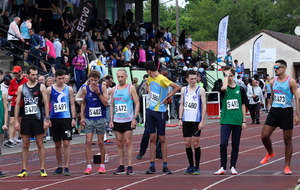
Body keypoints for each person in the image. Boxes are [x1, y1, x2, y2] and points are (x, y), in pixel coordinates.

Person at [261, 60, 299, 175]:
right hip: (274, 111)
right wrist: (271, 108)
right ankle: (270, 152)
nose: (275, 69)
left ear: (284, 68)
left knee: (287, 140)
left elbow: (297, 98)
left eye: (277, 67)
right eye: (274, 67)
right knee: (264, 135)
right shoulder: (272, 82)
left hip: (286, 112)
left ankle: (287, 166)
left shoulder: (291, 82)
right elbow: (272, 96)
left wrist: (297, 114)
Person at [144, 61, 181, 174]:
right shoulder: (150, 78)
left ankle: (165, 165)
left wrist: (168, 97)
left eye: (146, 71)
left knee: (162, 139)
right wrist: (150, 92)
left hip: (160, 111)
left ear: (149, 71)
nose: (147, 73)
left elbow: (177, 87)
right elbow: (146, 84)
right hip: (151, 110)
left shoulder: (162, 79)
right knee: (152, 138)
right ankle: (152, 165)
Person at [14, 65, 50, 177]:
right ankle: (24, 169)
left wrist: (47, 119)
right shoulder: (21, 88)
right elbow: (16, 105)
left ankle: (42, 169)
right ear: (28, 75)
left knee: (40, 144)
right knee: (25, 145)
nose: (35, 77)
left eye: (36, 75)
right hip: (25, 119)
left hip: (37, 119)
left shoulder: (41, 87)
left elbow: (46, 104)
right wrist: (16, 121)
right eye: (33, 75)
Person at [214, 66, 247, 175]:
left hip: (237, 120)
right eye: (227, 76)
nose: (229, 78)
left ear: (234, 75)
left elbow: (243, 105)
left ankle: (233, 166)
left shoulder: (240, 89)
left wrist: (244, 121)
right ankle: (223, 167)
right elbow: (223, 88)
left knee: (235, 145)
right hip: (226, 120)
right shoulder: (223, 88)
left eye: (231, 75)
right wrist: (225, 76)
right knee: (223, 144)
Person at [109, 69, 140, 175]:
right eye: (118, 77)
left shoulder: (130, 88)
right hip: (117, 120)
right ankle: (121, 165)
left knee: (128, 142)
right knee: (119, 143)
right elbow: (112, 105)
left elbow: (137, 102)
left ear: (126, 77)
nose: (120, 79)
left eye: (122, 77)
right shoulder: (114, 89)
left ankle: (130, 165)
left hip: (128, 120)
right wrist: (111, 119)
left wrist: (135, 118)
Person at [47, 69, 76, 176]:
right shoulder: (50, 89)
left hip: (66, 118)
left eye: (63, 78)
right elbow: (47, 104)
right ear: (55, 78)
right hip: (54, 118)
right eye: (59, 78)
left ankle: (67, 166)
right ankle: (59, 166)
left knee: (67, 142)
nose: (61, 80)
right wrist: (47, 118)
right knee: (57, 144)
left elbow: (72, 104)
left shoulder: (69, 89)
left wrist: (73, 118)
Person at [178, 70, 206, 175]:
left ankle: (197, 167)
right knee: (187, 143)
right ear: (187, 79)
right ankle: (190, 165)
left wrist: (202, 121)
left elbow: (204, 106)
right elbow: (182, 104)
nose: (193, 80)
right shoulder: (183, 90)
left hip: (196, 121)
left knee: (195, 143)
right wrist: (180, 119)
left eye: (195, 78)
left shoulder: (201, 90)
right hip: (186, 120)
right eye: (191, 79)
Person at [81, 70, 108, 174]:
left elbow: (106, 103)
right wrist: (82, 117)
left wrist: (98, 93)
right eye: (91, 80)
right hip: (89, 119)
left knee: (101, 142)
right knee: (88, 142)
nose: (93, 82)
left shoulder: (102, 87)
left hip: (100, 118)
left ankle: (102, 165)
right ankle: (88, 166)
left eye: (95, 80)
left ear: (98, 80)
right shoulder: (85, 89)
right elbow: (83, 103)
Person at [6, 66, 28, 148]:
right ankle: (11, 140)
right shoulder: (13, 81)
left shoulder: (26, 80)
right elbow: (10, 92)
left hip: (24, 104)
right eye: (14, 73)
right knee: (12, 121)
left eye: (16, 73)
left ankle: (19, 137)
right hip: (14, 104)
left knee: (21, 121)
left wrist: (20, 93)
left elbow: (28, 91)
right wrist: (17, 93)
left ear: (20, 72)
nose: (15, 74)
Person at [0, 77, 9, 177]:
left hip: (0, 125)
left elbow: (6, 110)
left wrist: (5, 123)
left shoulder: (2, 94)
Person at [1, 74, 12, 142]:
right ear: (6, 80)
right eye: (9, 80)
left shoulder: (10, 85)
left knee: (9, 123)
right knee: (5, 122)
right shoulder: (1, 87)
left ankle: (7, 138)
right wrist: (8, 100)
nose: (10, 81)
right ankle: (5, 138)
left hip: (10, 107)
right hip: (4, 108)